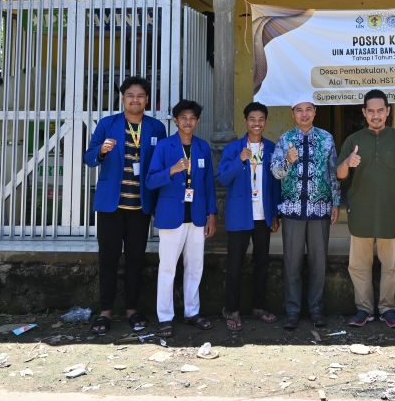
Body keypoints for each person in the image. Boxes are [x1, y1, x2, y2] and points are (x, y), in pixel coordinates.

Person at [83, 76, 167, 336]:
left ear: (147, 100)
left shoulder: (156, 128)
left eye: (140, 95)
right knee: (107, 259)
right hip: (111, 206)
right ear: (122, 98)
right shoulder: (108, 125)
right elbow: (89, 158)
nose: (135, 99)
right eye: (130, 95)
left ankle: (132, 309)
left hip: (140, 208)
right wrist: (101, 152)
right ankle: (105, 311)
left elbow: (160, 164)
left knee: (136, 260)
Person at [336, 89, 395, 329]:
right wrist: (348, 162)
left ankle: (388, 309)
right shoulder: (353, 140)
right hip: (360, 212)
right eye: (371, 111)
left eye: (380, 110)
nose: (376, 115)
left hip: (390, 213)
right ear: (364, 112)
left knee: (390, 266)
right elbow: (339, 175)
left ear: (388, 111)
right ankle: (364, 310)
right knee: (358, 266)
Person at [146, 99, 217, 337]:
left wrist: (212, 214)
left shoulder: (203, 147)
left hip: (196, 216)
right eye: (183, 118)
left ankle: (191, 312)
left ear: (197, 121)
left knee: (195, 267)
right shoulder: (164, 147)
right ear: (175, 121)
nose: (188, 122)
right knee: (167, 268)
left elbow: (208, 184)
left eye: (193, 118)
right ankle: (165, 317)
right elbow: (150, 181)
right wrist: (172, 170)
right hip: (171, 216)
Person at [271, 98, 340, 330]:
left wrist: (336, 202)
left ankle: (316, 309)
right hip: (292, 211)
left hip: (320, 209)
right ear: (292, 113)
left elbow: (333, 172)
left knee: (318, 264)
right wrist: (288, 162)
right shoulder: (285, 139)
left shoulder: (326, 138)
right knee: (292, 263)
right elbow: (276, 173)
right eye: (299, 110)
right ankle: (292, 311)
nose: (304, 114)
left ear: (315, 112)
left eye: (308, 109)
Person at [217, 102, 280, 331]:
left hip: (263, 216)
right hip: (239, 216)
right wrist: (240, 160)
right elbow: (223, 179)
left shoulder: (272, 148)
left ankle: (259, 307)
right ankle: (231, 309)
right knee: (235, 265)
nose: (257, 123)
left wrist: (275, 214)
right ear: (246, 121)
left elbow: (275, 184)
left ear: (265, 122)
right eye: (252, 119)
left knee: (262, 263)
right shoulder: (234, 149)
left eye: (261, 119)